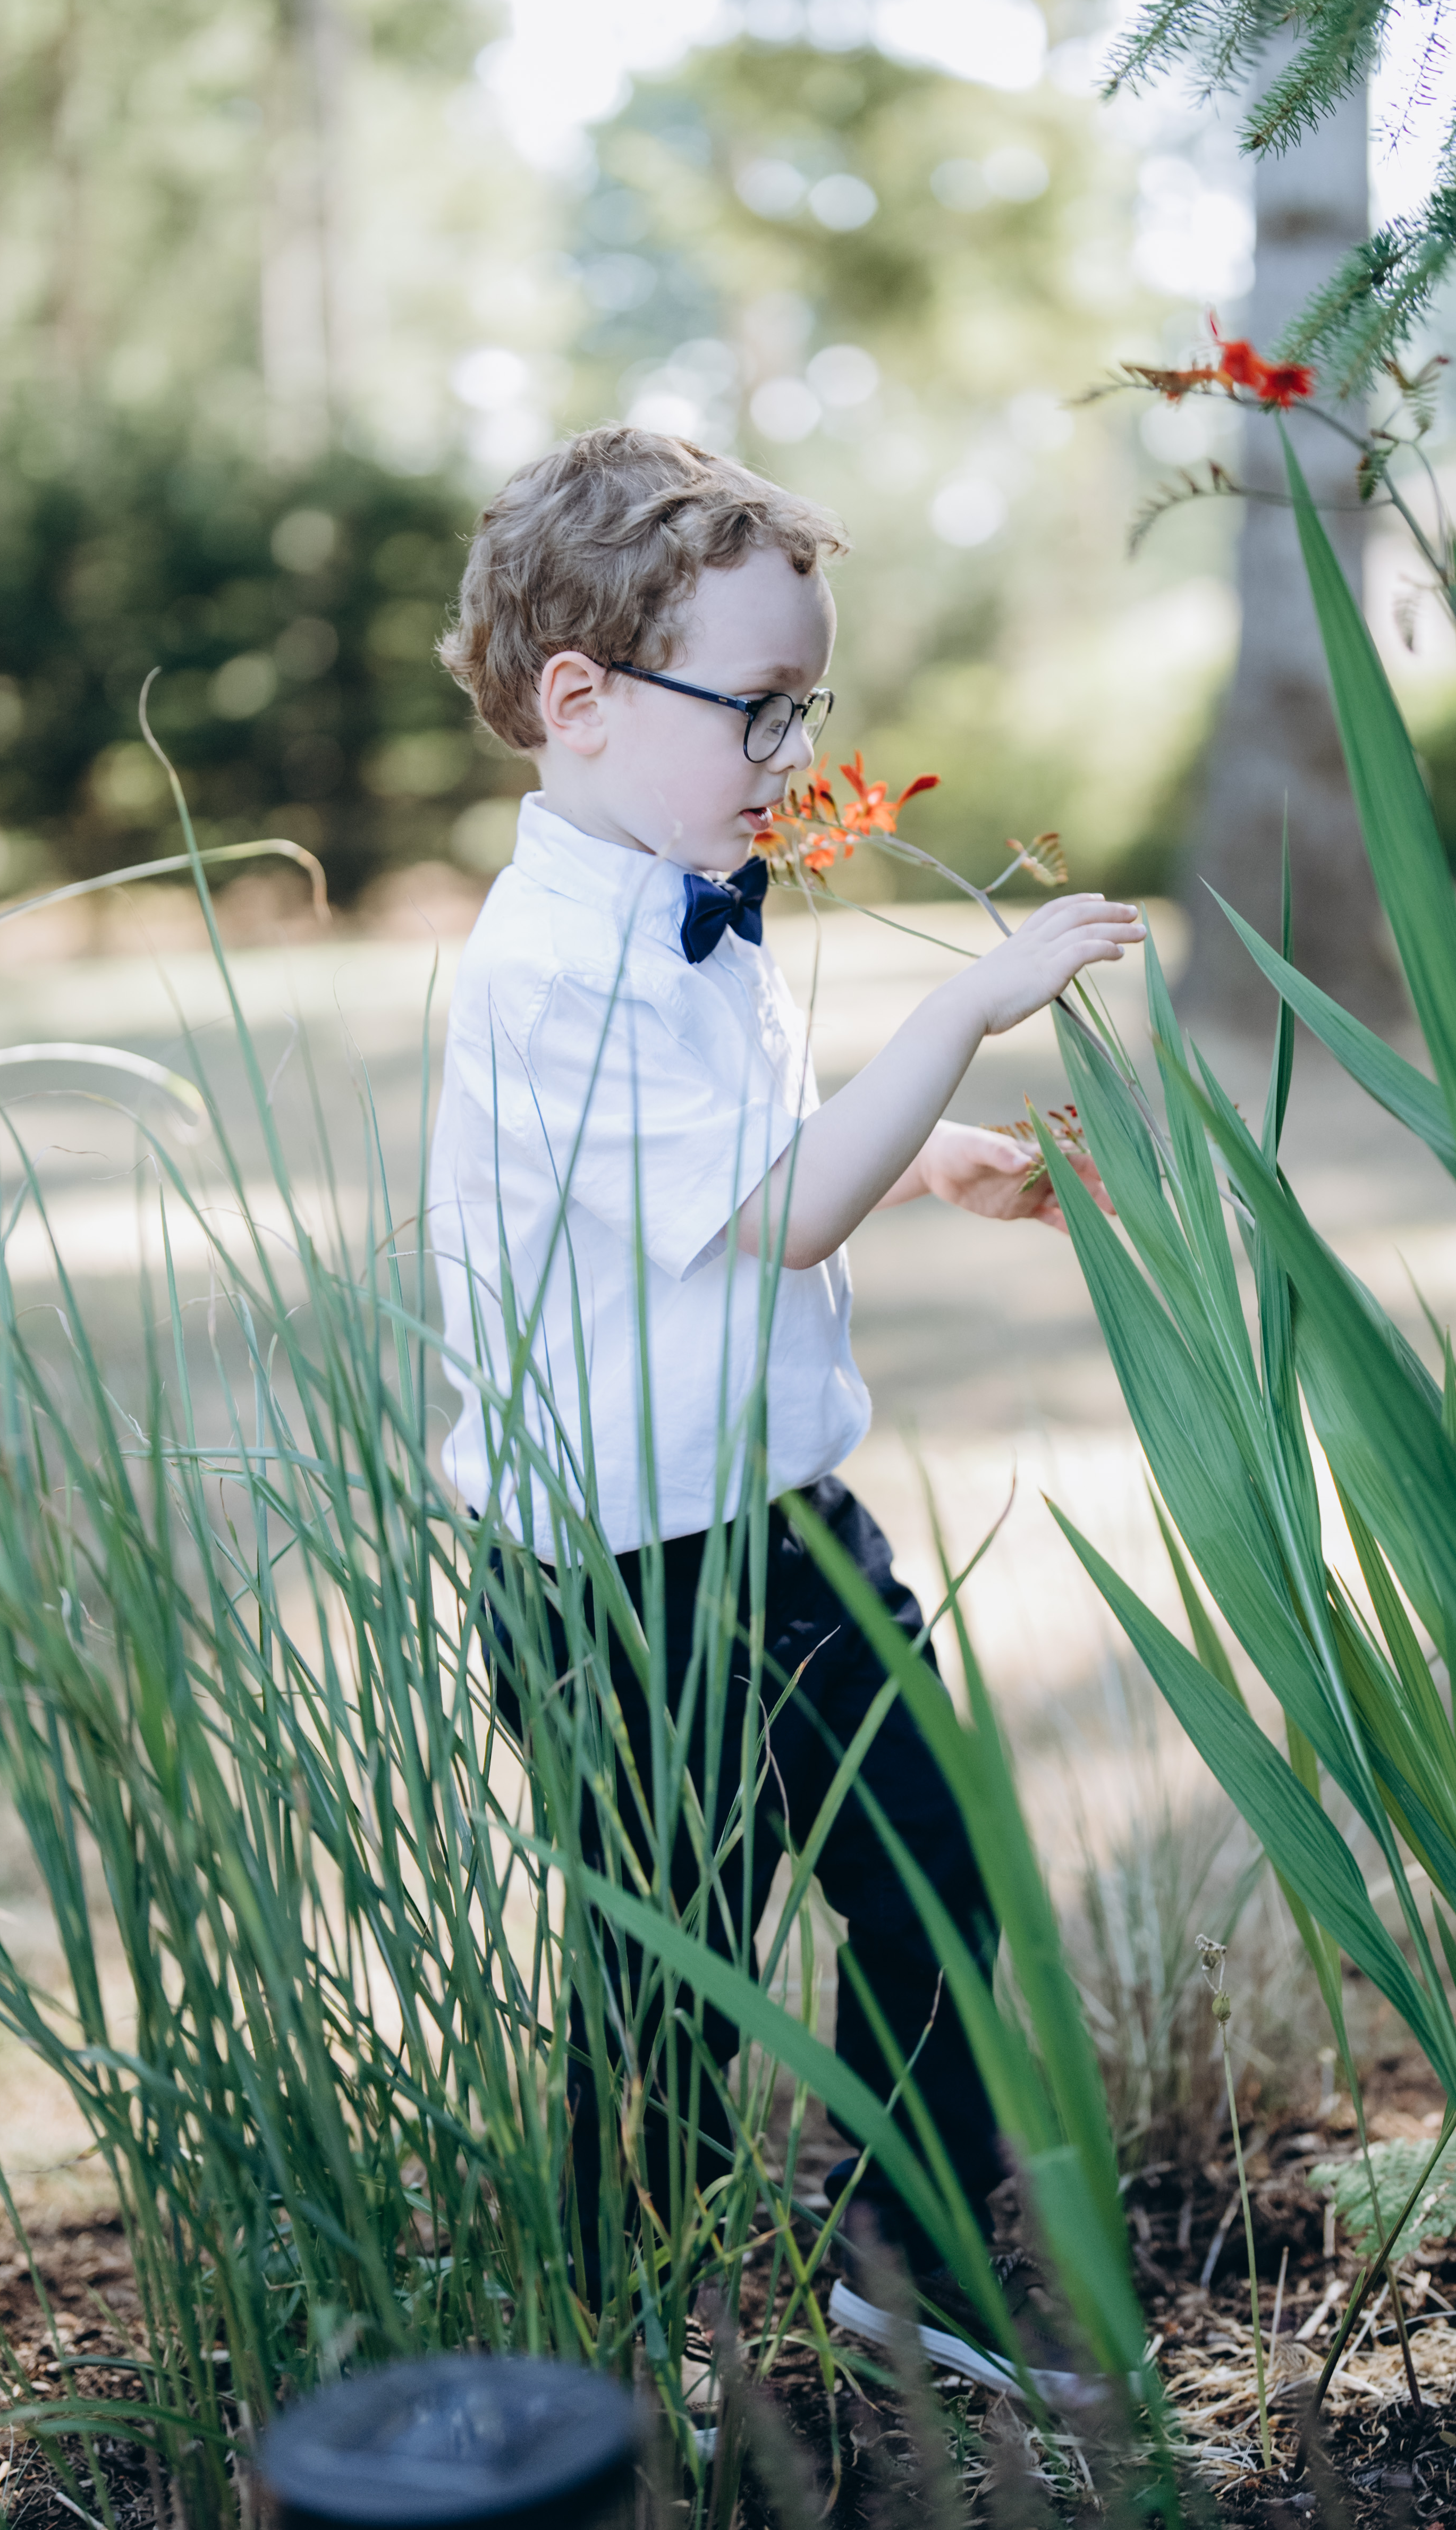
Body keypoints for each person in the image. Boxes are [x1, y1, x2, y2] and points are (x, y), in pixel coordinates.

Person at [427, 424, 1144, 2397]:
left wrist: (930, 1157)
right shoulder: (551, 967)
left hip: (783, 1521)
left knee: (931, 1871)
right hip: (619, 1574)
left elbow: (751, 1163)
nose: (787, 754)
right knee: (670, 1966)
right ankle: (611, 2341)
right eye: (754, 709)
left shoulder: (677, 893)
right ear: (579, 699)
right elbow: (773, 1208)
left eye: (801, 708)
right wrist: (959, 1010)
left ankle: (902, 2260)